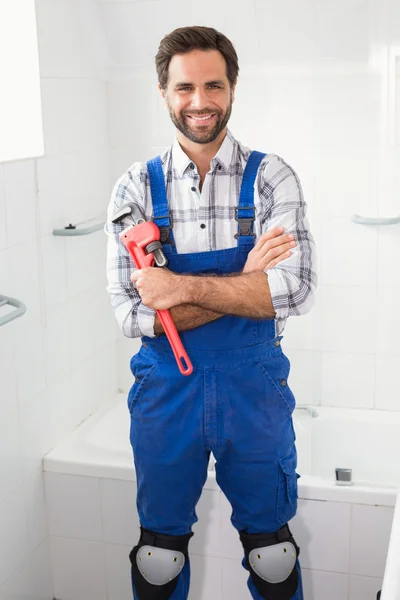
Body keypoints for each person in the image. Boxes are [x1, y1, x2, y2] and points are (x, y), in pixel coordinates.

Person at [105, 25, 317, 600]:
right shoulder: (133, 191)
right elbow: (132, 314)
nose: (200, 102)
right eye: (185, 88)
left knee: (272, 553)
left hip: (254, 389)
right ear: (163, 92)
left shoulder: (273, 178)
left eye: (213, 85)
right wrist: (246, 279)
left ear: (233, 87)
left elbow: (293, 292)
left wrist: (177, 288)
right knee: (159, 557)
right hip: (166, 392)